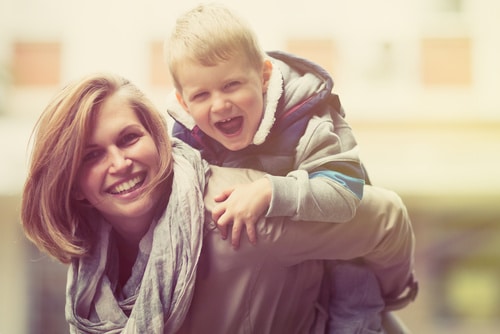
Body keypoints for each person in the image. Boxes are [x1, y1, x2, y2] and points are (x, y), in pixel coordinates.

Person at [21, 73, 415, 333]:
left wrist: (385, 296)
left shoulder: (236, 211)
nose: (120, 164)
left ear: (157, 137)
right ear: (72, 185)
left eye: (128, 139)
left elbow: (387, 221)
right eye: (91, 156)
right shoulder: (92, 267)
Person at [165, 3, 417, 332]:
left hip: (343, 266)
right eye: (201, 95)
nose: (220, 104)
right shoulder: (187, 139)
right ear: (183, 101)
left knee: (355, 310)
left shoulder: (310, 121)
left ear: (265, 75)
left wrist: (271, 190)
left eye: (232, 85)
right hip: (281, 283)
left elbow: (346, 191)